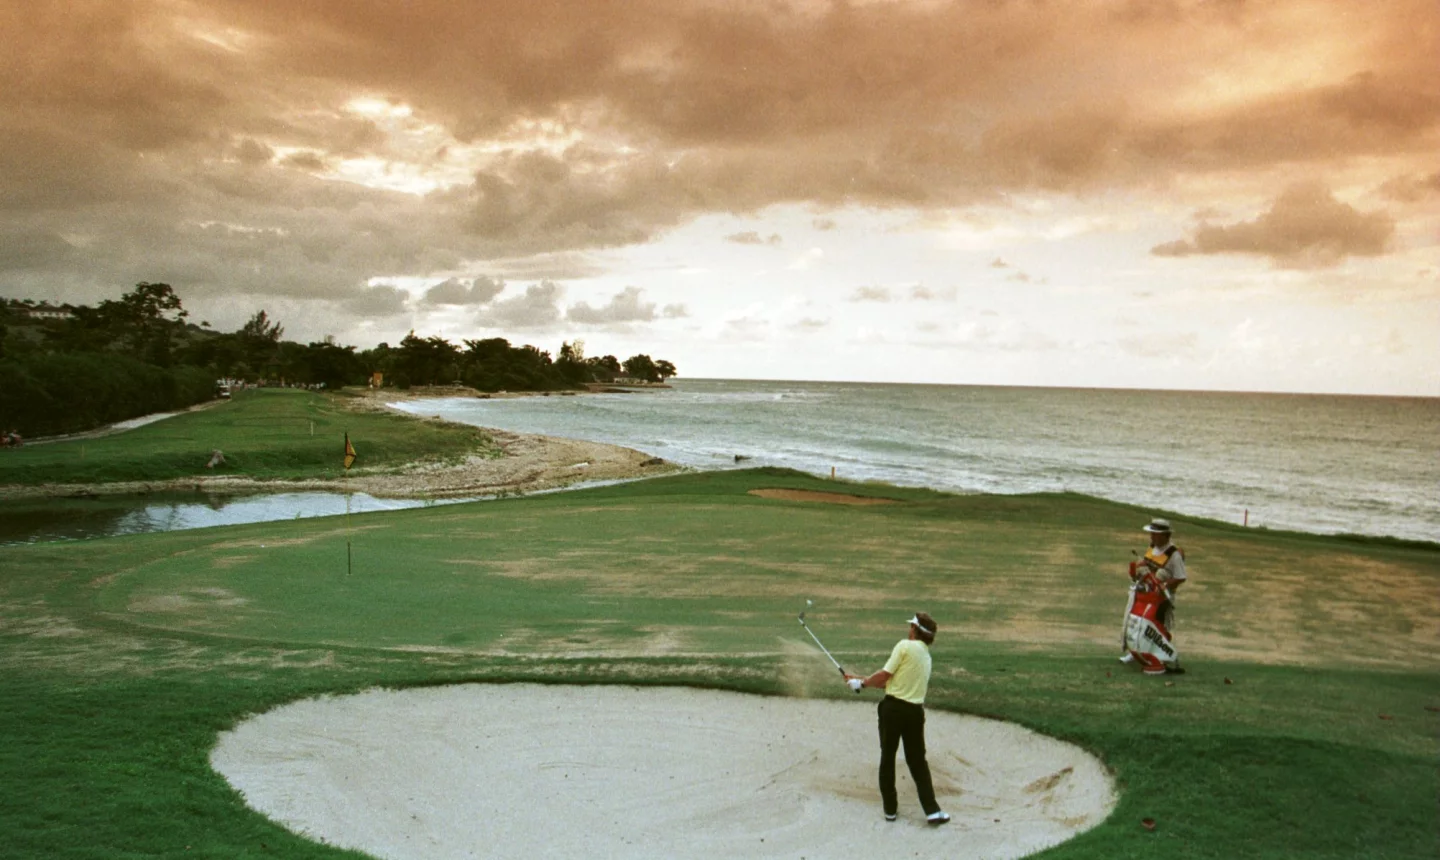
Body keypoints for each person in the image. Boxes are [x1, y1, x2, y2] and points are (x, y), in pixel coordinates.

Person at [844, 612, 951, 826]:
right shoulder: (926, 657)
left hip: (892, 710)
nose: (909, 629)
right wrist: (860, 680)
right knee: (917, 761)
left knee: (888, 757)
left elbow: (885, 677)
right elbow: (891, 682)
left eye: (911, 626)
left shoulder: (904, 646)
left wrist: (862, 684)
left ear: (915, 630)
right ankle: (932, 810)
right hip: (914, 713)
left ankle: (890, 810)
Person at [1119, 517, 1186, 670]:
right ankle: (1135, 652)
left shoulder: (1173, 554)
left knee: (1157, 627)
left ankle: (1160, 656)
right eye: (1152, 533)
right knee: (1137, 624)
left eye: (1155, 534)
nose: (1152, 537)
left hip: (1161, 598)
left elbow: (1180, 577)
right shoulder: (1152, 547)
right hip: (1144, 594)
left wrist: (1164, 584)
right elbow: (1146, 566)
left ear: (1165, 535)